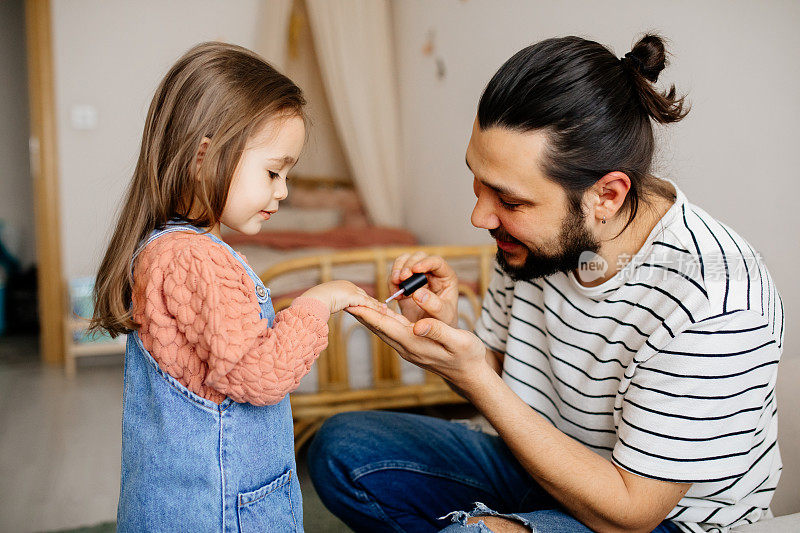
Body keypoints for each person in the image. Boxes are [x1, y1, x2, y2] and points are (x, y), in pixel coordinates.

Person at [309, 34, 784, 533]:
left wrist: (475, 379)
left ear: (607, 196)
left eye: (509, 201)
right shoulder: (537, 244)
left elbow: (632, 514)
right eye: (477, 181)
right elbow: (496, 372)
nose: (479, 216)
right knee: (343, 449)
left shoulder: (716, 302)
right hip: (536, 459)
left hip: (656, 520)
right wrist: (447, 336)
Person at [88, 42, 380, 531]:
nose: (283, 191)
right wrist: (316, 301)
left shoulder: (172, 249)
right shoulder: (193, 259)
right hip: (222, 510)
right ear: (205, 157)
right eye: (272, 171)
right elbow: (259, 375)